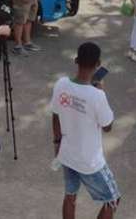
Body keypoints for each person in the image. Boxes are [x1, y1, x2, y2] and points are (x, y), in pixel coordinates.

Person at [51, 42, 120, 219]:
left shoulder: (61, 84)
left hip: (67, 154)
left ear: (76, 60)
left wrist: (57, 142)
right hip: (90, 161)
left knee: (70, 196)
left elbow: (56, 115)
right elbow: (107, 127)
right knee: (113, 199)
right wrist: (102, 91)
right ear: (98, 64)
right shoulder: (97, 95)